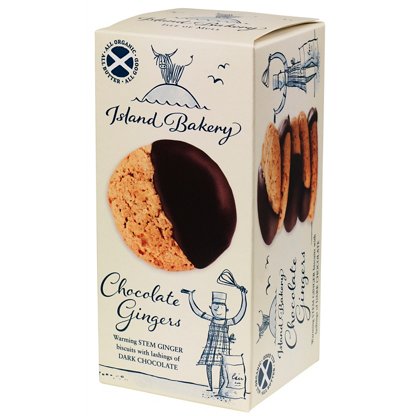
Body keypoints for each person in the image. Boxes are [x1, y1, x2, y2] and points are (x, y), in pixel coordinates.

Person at [182, 287, 247, 392]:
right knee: (209, 364)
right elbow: (197, 311)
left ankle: (221, 387)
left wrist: (243, 296)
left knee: (223, 366)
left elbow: (240, 315)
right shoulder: (211, 319)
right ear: (211, 308)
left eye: (220, 307)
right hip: (211, 346)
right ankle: (211, 387)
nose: (217, 310)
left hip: (223, 347)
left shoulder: (227, 322)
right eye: (215, 307)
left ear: (226, 310)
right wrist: (190, 296)